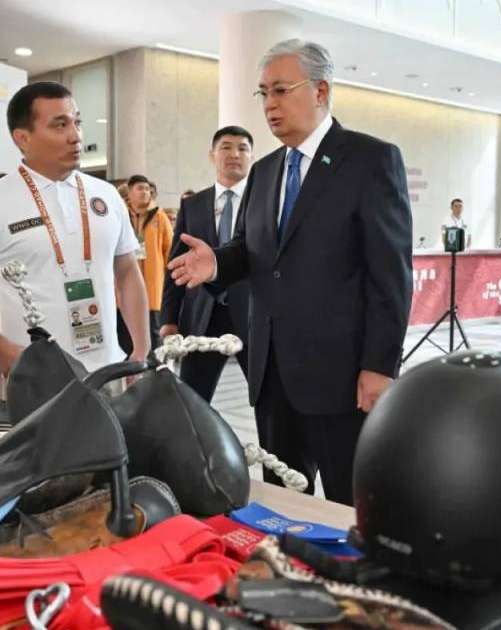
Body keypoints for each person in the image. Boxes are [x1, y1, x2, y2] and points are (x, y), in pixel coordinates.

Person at [167, 39, 412, 505]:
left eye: (281, 90)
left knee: (348, 504)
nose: (269, 105)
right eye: (263, 93)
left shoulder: (370, 160)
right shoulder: (264, 171)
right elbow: (251, 249)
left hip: (342, 379)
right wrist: (217, 262)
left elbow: (390, 275)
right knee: (282, 503)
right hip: (272, 375)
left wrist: (380, 366)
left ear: (321, 90)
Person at [0, 81, 150, 378]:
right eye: (60, 125)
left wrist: (141, 350)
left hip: (109, 370)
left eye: (77, 122)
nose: (75, 136)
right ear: (23, 138)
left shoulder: (106, 195)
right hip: (35, 379)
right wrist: (2, 351)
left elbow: (126, 270)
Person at [160, 125, 255, 402]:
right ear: (212, 155)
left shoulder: (264, 202)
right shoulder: (193, 205)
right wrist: (168, 319)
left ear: (252, 156)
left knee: (267, 399)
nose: (234, 154)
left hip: (253, 315)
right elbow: (176, 265)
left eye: (243, 148)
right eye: (226, 147)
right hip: (203, 316)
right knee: (193, 398)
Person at [127, 174, 173, 348]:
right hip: (126, 286)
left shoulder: (159, 217)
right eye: (140, 188)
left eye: (147, 189)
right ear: (130, 193)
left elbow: (170, 250)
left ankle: (156, 364)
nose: (145, 192)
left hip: (153, 287)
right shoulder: (121, 215)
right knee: (127, 335)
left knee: (154, 334)